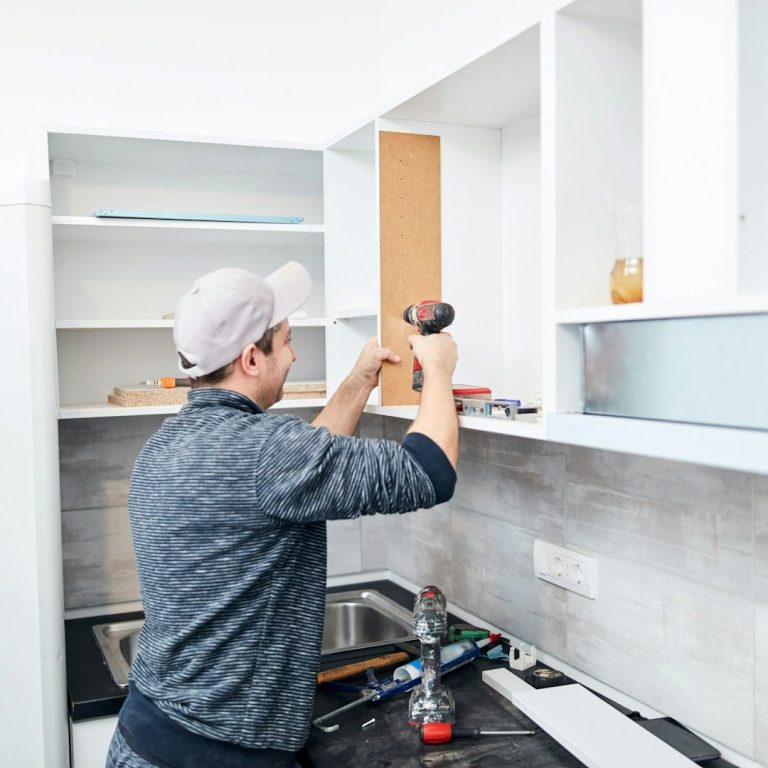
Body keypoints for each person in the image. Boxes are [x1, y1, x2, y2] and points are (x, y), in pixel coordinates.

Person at [106, 261, 459, 768]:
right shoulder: (266, 451)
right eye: (287, 341)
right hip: (221, 754)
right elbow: (429, 472)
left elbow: (299, 470)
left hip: (145, 736)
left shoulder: (165, 443)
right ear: (251, 358)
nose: (293, 355)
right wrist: (440, 371)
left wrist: (360, 381)